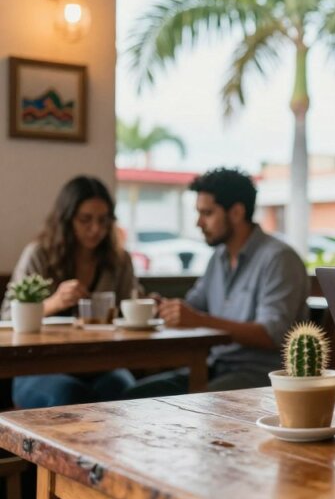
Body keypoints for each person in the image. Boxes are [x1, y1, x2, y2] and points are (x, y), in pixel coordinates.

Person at [123, 168, 309, 397]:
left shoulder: (279, 259)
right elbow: (194, 306)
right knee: (131, 396)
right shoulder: (218, 258)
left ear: (237, 212)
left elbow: (271, 334)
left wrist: (198, 319)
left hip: (261, 377)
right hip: (213, 368)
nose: (199, 223)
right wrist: (164, 307)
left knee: (192, 405)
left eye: (207, 213)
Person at [1, 176, 139, 407]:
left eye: (103, 221)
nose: (96, 229)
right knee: (70, 394)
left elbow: (130, 308)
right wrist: (53, 303)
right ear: (66, 219)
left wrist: (145, 305)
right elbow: (7, 317)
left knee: (125, 392)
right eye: (85, 219)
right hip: (38, 367)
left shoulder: (119, 261)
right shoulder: (39, 255)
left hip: (100, 364)